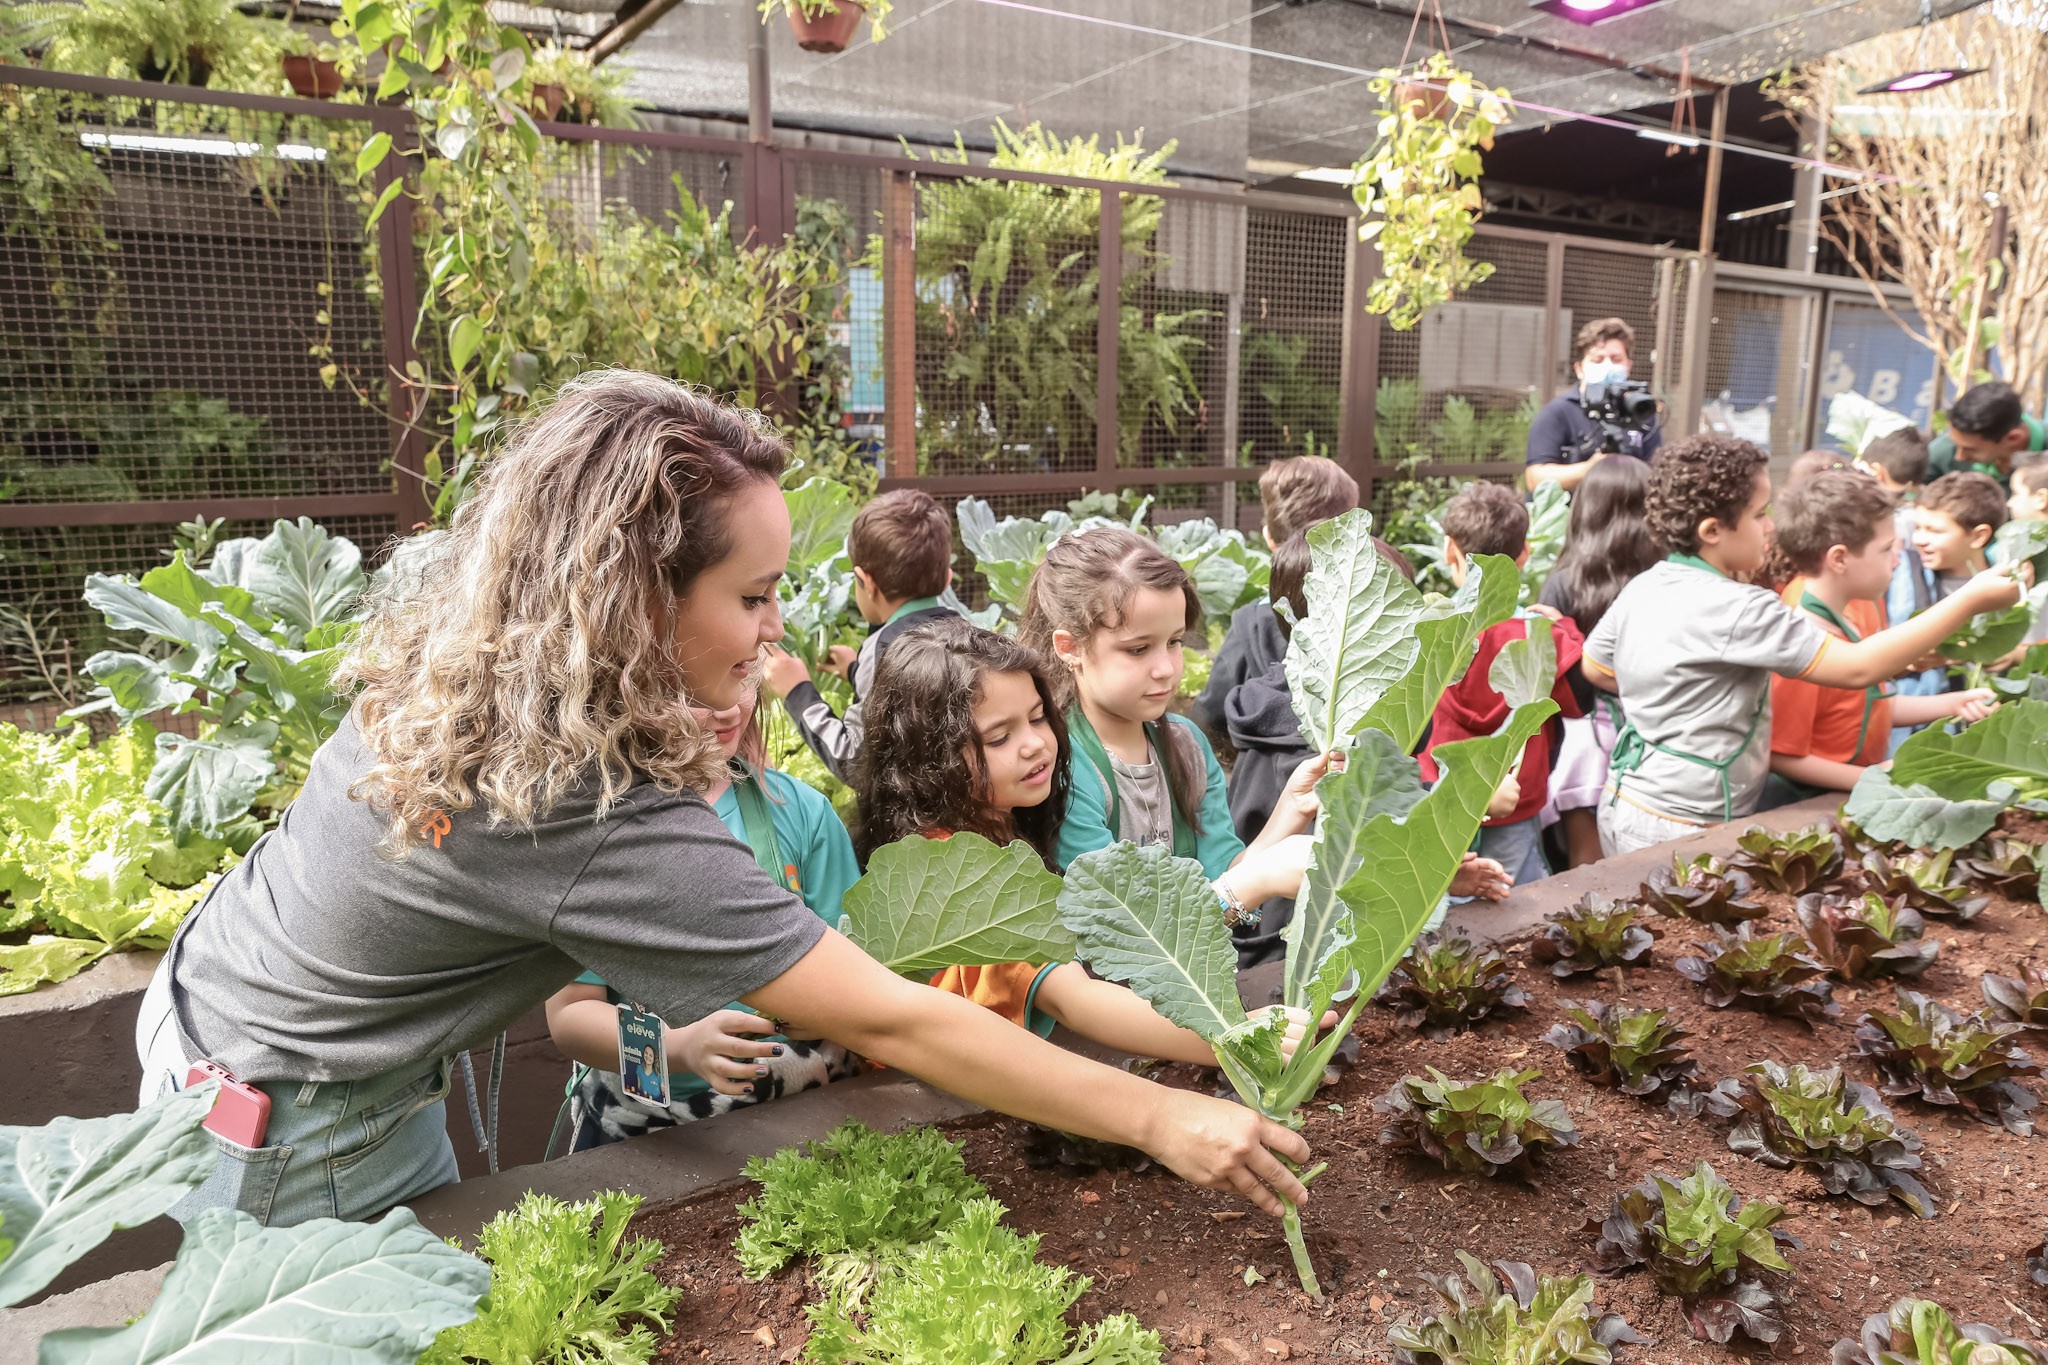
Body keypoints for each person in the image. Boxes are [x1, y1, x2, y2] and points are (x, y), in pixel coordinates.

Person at [134, 371, 1317, 1227]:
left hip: (226, 1011)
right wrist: (1162, 1119)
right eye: (753, 597)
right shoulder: (579, 809)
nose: (776, 627)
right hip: (299, 1127)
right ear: (632, 600)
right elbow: (892, 1019)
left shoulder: (469, 665)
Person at [854, 617, 1323, 1062]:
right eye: (999, 737)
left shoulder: (1017, 821)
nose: (1035, 743)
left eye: (1038, 718)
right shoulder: (951, 870)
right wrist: (1230, 1039)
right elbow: (1076, 997)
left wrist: (1284, 824)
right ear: (931, 762)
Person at [1583, 435, 2023, 856]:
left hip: (1626, 797)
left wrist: (1672, 696)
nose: (1769, 526)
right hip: (1686, 818)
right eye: (1758, 515)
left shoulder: (1648, 583)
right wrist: (1969, 599)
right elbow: (1857, 669)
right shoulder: (1741, 607)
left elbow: (1596, 667)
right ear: (1713, 530)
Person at [545, 683, 864, 1152]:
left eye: (742, 675)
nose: (731, 706)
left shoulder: (803, 813)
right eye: (694, 690)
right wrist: (679, 1049)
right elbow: (571, 1016)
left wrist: (817, 1010)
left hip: (802, 1114)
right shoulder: (597, 833)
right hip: (645, 1132)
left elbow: (860, 971)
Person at [1015, 528, 1332, 967]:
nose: (1165, 668)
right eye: (1138, 649)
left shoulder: (1185, 743)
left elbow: (1224, 876)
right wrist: (1257, 882)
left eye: (1175, 642)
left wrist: (1290, 812)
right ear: (1070, 648)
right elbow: (1130, 935)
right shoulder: (1062, 764)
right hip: (1097, 1008)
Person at [1221, 534, 1509, 963]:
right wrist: (1470, 793)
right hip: (1290, 964)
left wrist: (1439, 878)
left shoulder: (1326, 719)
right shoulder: (1314, 751)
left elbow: (1371, 853)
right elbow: (1318, 881)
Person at [1765, 471, 1996, 801]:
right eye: (1887, 549)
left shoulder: (1862, 605)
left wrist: (1952, 704)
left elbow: (1867, 705)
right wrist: (1876, 777)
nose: (1899, 559)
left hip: (1852, 788)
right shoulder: (1799, 633)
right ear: (1839, 558)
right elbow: (1780, 754)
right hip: (1802, 800)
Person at [1421, 483, 1584, 885]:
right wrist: (1566, 629)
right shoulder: (1543, 637)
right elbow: (1578, 704)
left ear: (1449, 550)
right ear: (1524, 555)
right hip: (1516, 800)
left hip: (1440, 798)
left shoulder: (1425, 631)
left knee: (1436, 895)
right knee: (1512, 899)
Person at [764, 488, 957, 781]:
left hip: (909, 823)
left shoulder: (883, 649)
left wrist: (797, 691)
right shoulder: (967, 635)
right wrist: (855, 671)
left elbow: (854, 760)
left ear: (866, 582)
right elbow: (921, 694)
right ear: (947, 579)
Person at [1536, 455, 1658, 868]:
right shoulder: (1660, 580)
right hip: (1650, 727)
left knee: (1587, 867)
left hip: (1583, 741)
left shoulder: (1564, 584)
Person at [1190, 455, 1357, 737]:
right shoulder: (1367, 614)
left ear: (1269, 537)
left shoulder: (1252, 620)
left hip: (1271, 769)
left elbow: (1210, 713)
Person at [1525, 317, 1662, 492]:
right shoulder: (1558, 412)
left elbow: (1657, 472)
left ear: (1628, 366)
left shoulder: (1641, 410)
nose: (1608, 366)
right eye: (1598, 360)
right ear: (1579, 369)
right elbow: (1535, 478)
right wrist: (1591, 469)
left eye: (1616, 359)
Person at [1928, 381, 2045, 488]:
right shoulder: (1941, 453)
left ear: (2014, 438)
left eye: (1970, 449)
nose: (1959, 457)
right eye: (1956, 444)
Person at [1914, 471, 2008, 595]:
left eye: (1936, 531)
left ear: (1978, 537)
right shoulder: (1905, 581)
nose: (1918, 540)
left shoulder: (2009, 585)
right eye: (1917, 528)